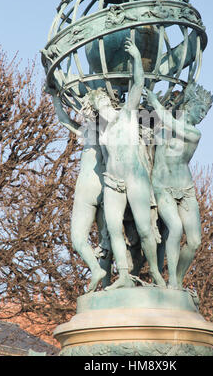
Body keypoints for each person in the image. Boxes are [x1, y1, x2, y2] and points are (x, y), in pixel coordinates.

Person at [85, 38, 166, 290]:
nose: (102, 105)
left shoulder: (128, 113)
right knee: (113, 229)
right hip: (113, 182)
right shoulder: (101, 131)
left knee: (144, 229)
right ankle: (122, 275)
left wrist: (136, 56)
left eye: (104, 102)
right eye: (99, 104)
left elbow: (139, 83)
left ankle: (155, 272)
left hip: (136, 179)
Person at [145, 82, 213, 289]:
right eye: (200, 109)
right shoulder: (161, 126)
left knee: (194, 241)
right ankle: (173, 282)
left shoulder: (193, 133)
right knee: (175, 228)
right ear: (189, 105)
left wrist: (156, 102)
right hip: (162, 186)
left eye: (205, 112)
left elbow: (172, 124)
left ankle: (179, 278)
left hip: (185, 190)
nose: (203, 115)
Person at [44, 84, 111, 292]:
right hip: (107, 187)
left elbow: (64, 120)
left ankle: (96, 269)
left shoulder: (89, 131)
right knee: (105, 240)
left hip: (87, 186)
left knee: (78, 239)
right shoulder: (114, 131)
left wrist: (55, 96)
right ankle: (108, 285)